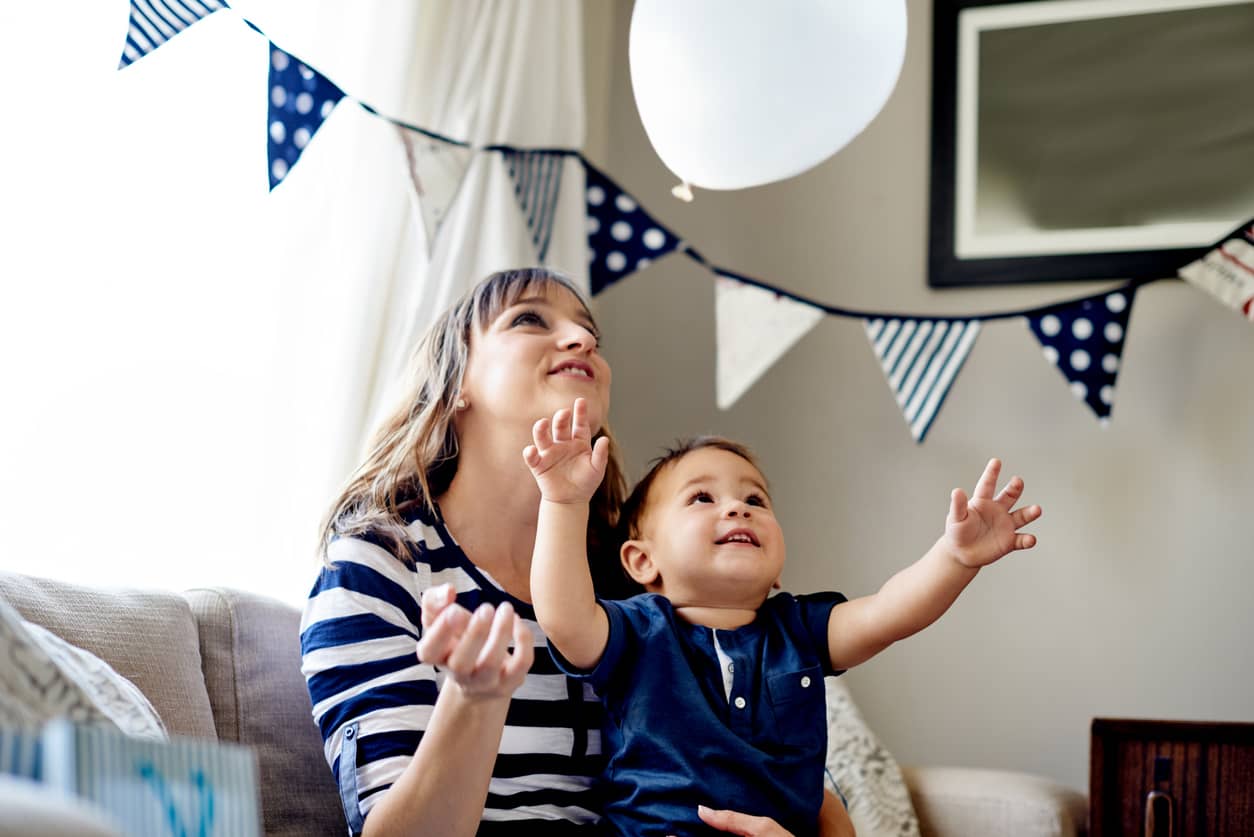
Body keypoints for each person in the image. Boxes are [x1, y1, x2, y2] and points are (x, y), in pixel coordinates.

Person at [300, 268, 844, 837]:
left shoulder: (632, 580)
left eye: (590, 335)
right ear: (454, 380)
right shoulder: (379, 567)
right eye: (530, 319)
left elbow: (788, 778)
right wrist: (476, 697)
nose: (583, 341)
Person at [525, 409, 1043, 836]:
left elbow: (890, 612)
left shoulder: (799, 629)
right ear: (642, 562)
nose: (737, 508)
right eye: (702, 498)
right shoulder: (638, 632)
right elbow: (565, 617)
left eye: (755, 499)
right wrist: (564, 501)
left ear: (776, 571)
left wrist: (954, 558)